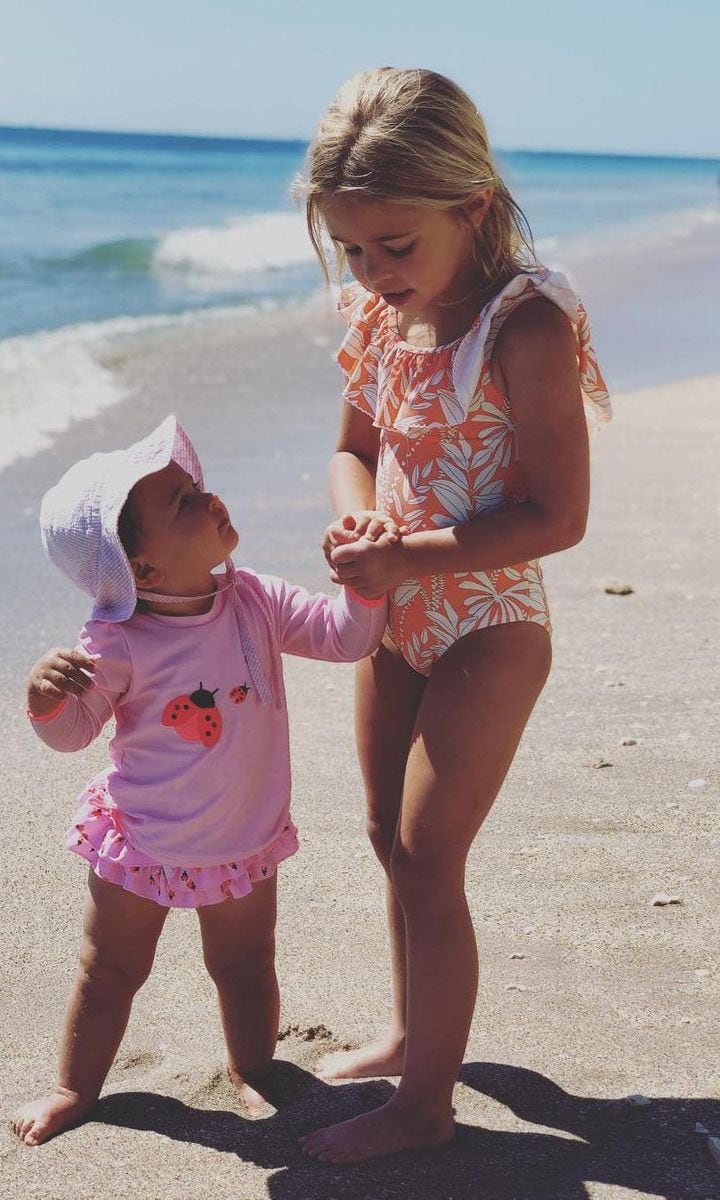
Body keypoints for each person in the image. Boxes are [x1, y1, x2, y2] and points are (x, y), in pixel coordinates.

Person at [296, 67, 611, 1163]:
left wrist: (412, 556)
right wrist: (356, 533)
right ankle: (412, 1034)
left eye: (396, 246)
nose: (376, 273)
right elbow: (353, 451)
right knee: (388, 837)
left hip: (489, 623)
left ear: (471, 207)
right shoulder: (380, 322)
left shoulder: (523, 326)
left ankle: (426, 1110)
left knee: (432, 856)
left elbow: (558, 514)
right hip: (395, 614)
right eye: (356, 251)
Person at [11, 414, 386, 1147]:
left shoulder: (256, 600)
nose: (208, 500)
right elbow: (73, 733)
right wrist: (43, 698)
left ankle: (253, 1069)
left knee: (246, 963)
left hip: (243, 836)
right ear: (139, 571)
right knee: (112, 967)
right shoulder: (117, 639)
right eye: (183, 503)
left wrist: (363, 587)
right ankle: (73, 1087)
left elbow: (344, 638)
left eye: (196, 487)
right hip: (142, 839)